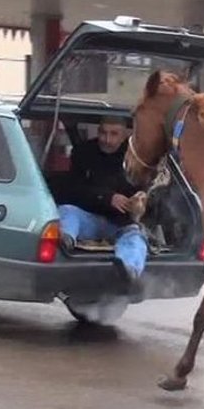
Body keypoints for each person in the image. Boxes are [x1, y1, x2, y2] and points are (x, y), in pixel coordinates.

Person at [57, 115, 148, 285]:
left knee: (136, 238)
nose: (107, 139)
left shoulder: (136, 157)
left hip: (120, 224)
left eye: (114, 134)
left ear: (125, 135)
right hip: (89, 218)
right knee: (67, 211)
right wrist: (107, 198)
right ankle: (64, 244)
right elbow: (72, 189)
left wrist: (140, 200)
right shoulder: (84, 152)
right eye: (103, 133)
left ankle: (128, 271)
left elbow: (149, 190)